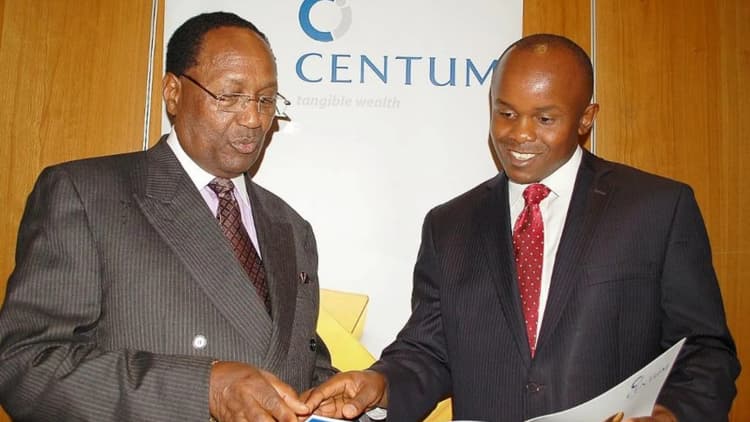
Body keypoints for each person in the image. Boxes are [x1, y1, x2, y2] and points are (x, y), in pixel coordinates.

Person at [304, 34, 740, 421]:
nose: (519, 134)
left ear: (586, 118)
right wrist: (380, 384)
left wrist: (672, 415)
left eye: (545, 119)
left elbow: (704, 350)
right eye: (506, 113)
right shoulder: (448, 226)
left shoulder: (657, 208)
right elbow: (429, 352)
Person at [0, 12, 335, 421]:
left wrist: (357, 398)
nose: (253, 119)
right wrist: (201, 389)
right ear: (173, 93)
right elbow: (24, 365)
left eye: (265, 100)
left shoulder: (291, 227)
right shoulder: (86, 195)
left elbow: (292, 366)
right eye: (230, 96)